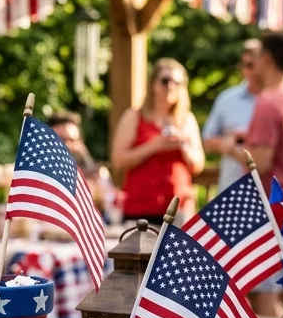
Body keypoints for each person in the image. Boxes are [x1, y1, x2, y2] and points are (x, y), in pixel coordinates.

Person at [238, 32, 283, 318]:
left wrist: (235, 149)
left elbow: (261, 161)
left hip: (268, 209)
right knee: (282, 295)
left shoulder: (268, 101)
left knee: (266, 299)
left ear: (266, 59)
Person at [110, 58, 205, 224]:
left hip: (179, 208)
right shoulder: (134, 116)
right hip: (141, 207)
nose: (171, 86)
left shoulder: (186, 120)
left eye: (177, 82)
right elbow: (118, 161)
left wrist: (184, 147)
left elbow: (198, 165)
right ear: (153, 84)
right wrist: (153, 146)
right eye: (165, 81)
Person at [201, 39, 262, 194]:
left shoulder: (280, 99)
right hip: (233, 189)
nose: (250, 71)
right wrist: (232, 141)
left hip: (269, 190)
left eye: (253, 65)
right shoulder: (227, 98)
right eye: (245, 65)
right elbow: (207, 141)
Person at [47, 111, 118, 222]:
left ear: (80, 144)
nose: (66, 145)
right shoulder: (31, 176)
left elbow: (111, 215)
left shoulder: (98, 176)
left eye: (72, 140)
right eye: (60, 139)